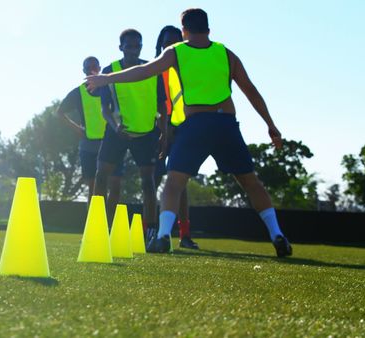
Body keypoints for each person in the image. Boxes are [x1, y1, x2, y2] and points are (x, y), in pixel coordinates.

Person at [86, 9, 292, 257]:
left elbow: (143, 72)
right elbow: (250, 90)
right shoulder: (225, 53)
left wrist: (106, 78)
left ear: (183, 30)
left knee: (174, 183)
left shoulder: (177, 51)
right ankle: (277, 233)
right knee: (250, 182)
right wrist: (270, 124)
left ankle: (162, 236)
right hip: (226, 123)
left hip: (196, 125)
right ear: (208, 29)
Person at [93, 29, 167, 232]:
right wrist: (115, 125)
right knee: (101, 177)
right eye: (129, 46)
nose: (134, 50)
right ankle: (97, 227)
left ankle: (150, 231)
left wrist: (164, 134)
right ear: (121, 48)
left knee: (148, 183)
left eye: (137, 46)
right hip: (117, 132)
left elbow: (162, 105)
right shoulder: (110, 70)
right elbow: (104, 109)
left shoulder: (152, 70)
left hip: (146, 134)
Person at [56, 56, 124, 213]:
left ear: (100, 69)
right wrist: (77, 129)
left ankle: (110, 225)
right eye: (88, 68)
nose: (92, 70)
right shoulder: (78, 92)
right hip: (89, 146)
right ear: (84, 71)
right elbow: (59, 113)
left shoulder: (110, 87)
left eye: (95, 67)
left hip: (112, 142)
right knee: (93, 188)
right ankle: (93, 227)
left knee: (115, 184)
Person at [152, 25, 198, 250]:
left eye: (174, 42)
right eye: (165, 43)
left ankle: (185, 235)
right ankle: (153, 232)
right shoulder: (153, 70)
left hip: (180, 129)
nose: (169, 46)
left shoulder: (187, 67)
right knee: (151, 181)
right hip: (155, 130)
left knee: (180, 183)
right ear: (160, 46)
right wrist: (162, 131)